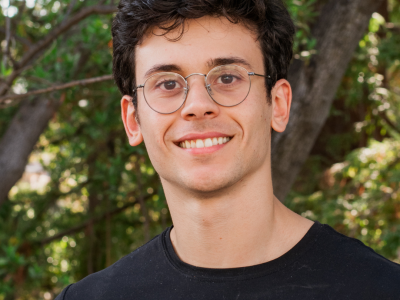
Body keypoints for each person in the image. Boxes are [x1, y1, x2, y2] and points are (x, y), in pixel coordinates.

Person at [56, 0, 400, 299]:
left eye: (227, 77)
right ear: (133, 121)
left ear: (277, 104)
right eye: (168, 84)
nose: (198, 105)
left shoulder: (381, 289)